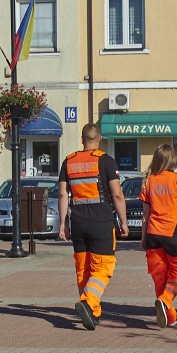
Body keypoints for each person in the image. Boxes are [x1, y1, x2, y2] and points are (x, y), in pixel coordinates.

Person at [58, 123, 130, 331]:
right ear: (100, 139)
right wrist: (124, 221)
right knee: (103, 267)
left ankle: (93, 312)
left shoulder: (68, 161)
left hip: (78, 223)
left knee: (83, 269)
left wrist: (63, 223)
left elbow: (62, 194)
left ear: (82, 140)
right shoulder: (106, 161)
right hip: (101, 222)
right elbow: (117, 194)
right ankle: (88, 301)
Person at [139, 144, 177, 328]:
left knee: (160, 279)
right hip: (174, 234)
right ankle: (165, 301)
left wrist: (143, 237)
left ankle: (170, 317)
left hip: (153, 234)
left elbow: (145, 214)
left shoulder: (149, 180)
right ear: (173, 159)